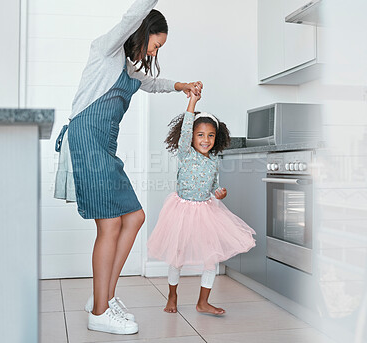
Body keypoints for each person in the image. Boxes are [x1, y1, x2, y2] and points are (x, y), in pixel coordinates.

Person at [54, 0, 203, 335]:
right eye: (156, 43)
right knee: (108, 226)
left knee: (134, 217)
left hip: (104, 146)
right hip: (88, 140)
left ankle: (103, 298)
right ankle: (99, 311)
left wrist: (180, 86)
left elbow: (151, 84)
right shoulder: (106, 50)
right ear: (144, 31)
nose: (154, 51)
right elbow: (131, 15)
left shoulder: (129, 68)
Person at [147, 92, 256, 315]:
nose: (205, 140)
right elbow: (187, 130)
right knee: (177, 256)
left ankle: (203, 302)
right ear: (191, 137)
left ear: (217, 138)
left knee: (211, 258)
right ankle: (172, 294)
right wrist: (192, 103)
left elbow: (214, 186)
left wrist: (220, 193)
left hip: (206, 212)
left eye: (210, 136)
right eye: (200, 135)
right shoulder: (186, 154)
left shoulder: (214, 161)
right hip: (182, 211)